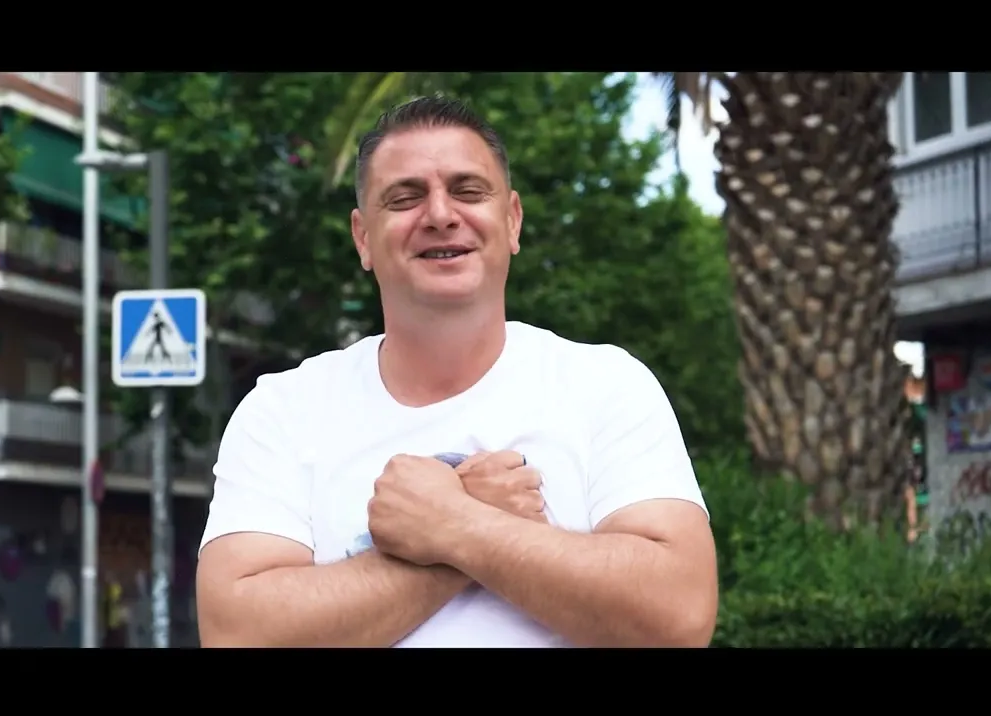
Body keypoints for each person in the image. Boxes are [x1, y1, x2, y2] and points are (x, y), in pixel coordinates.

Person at [195, 96, 718, 647]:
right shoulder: (282, 411)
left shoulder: (607, 386)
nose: (441, 215)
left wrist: (457, 524)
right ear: (363, 237)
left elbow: (679, 617)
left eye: (468, 191)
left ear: (512, 220)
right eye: (405, 197)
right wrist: (470, 526)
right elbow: (236, 634)